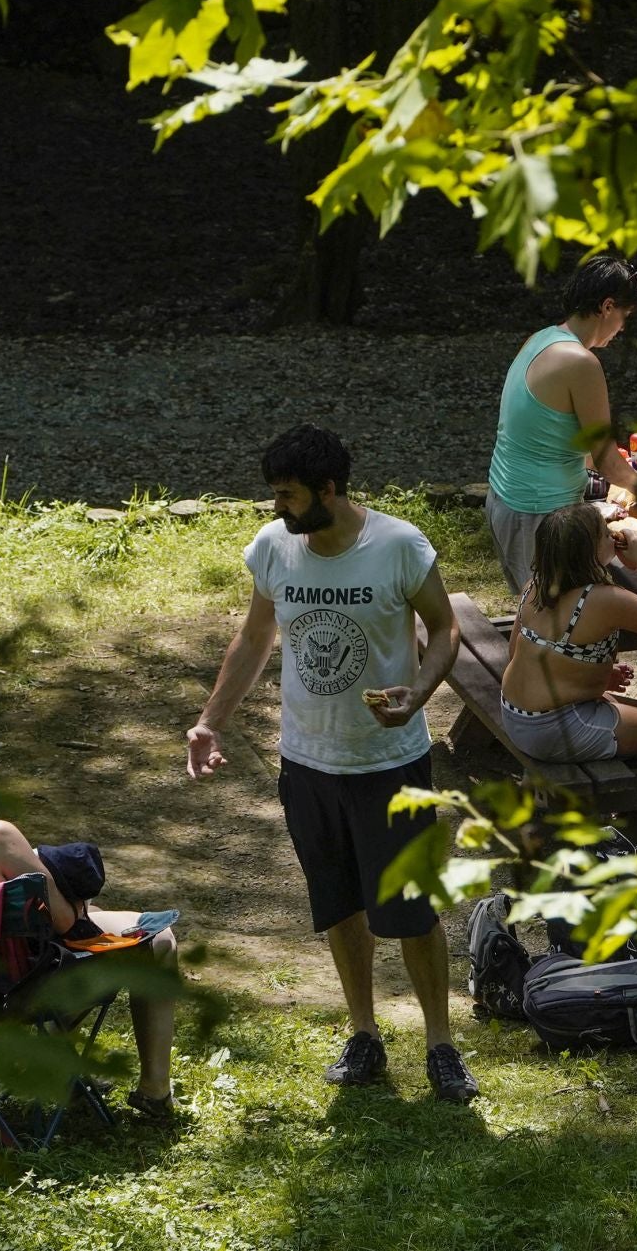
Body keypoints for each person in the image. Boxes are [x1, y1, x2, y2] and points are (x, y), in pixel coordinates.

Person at [184, 424, 479, 1102]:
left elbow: (446, 628)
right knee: (340, 904)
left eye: (288, 495)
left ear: (328, 488)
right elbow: (255, 636)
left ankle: (440, 1043)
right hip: (309, 762)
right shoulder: (274, 548)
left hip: (390, 762)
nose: (278, 509)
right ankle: (365, 1034)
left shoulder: (399, 546)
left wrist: (420, 693)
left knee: (410, 908)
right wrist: (209, 721)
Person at [0, 723, 180, 1117]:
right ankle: (154, 1091)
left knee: (90, 923)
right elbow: (65, 923)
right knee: (160, 939)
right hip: (14, 993)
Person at [485, 254, 637, 594]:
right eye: (624, 317)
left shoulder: (542, 338)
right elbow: (605, 461)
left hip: (507, 501)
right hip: (537, 514)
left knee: (542, 616)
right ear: (607, 306)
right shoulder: (581, 362)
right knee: (557, 623)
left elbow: (551, 433)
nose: (623, 328)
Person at [500, 502, 637, 761]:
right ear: (589, 552)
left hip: (516, 714)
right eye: (606, 534)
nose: (613, 536)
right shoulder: (604, 599)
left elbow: (516, 651)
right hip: (552, 729)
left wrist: (581, 674)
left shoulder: (536, 584)